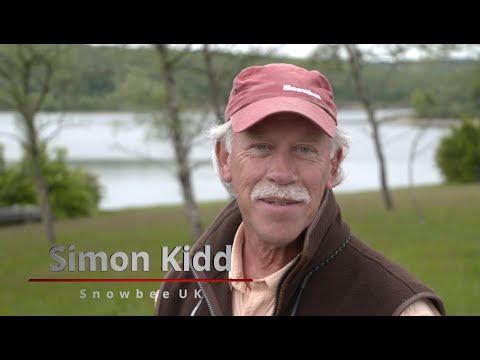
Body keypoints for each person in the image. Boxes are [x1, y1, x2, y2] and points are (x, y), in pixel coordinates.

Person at [155, 63, 446, 316]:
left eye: (304, 149)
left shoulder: (396, 307)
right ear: (224, 158)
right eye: (261, 146)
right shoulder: (182, 289)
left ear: (332, 165)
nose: (282, 173)